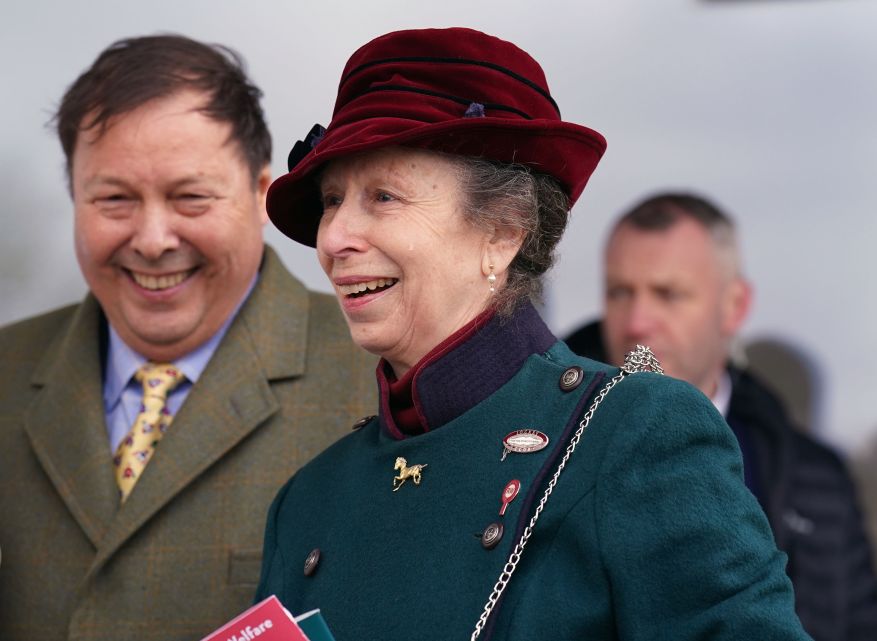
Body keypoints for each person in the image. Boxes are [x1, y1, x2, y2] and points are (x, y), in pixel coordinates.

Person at [255, 27, 811, 640]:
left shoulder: (633, 436)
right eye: (332, 200)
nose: (334, 238)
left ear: (503, 232)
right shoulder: (308, 501)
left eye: (383, 196)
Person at [0, 35, 376, 641]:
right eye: (114, 199)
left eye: (191, 197)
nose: (153, 240)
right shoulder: (6, 370)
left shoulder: (380, 382)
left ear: (260, 192)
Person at [565, 192, 877, 641]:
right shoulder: (546, 442)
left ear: (734, 306)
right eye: (620, 292)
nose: (637, 322)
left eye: (668, 294)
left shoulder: (817, 480)